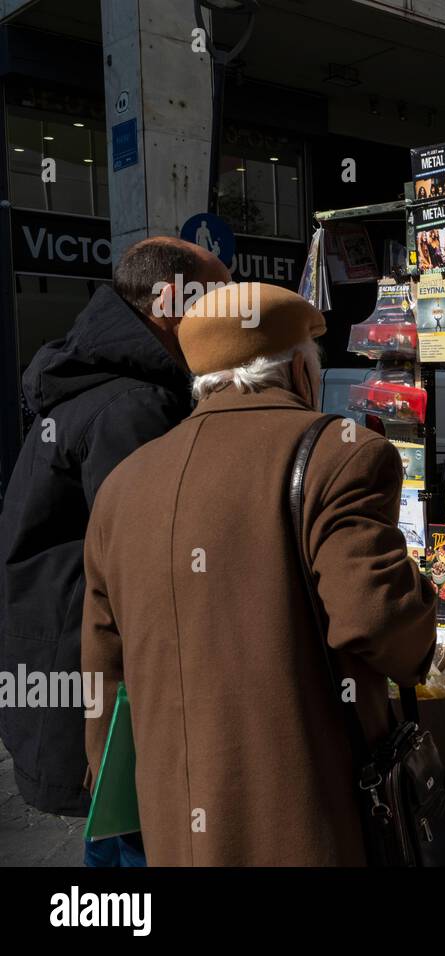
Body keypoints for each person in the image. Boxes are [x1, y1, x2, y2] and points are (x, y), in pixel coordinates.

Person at [81, 283, 438, 866]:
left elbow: (103, 670)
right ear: (300, 371)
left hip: (175, 824)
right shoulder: (343, 454)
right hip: (311, 819)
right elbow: (378, 621)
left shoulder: (123, 483)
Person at [0, 237, 229, 867]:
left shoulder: (100, 381)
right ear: (171, 305)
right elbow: (146, 567)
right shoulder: (135, 403)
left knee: (113, 836)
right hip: (102, 678)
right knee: (136, 837)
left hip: (63, 659)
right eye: (221, 294)